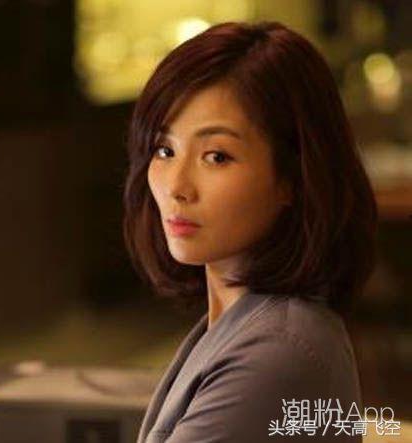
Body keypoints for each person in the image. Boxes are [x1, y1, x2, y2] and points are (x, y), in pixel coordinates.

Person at [122, 21, 377, 442]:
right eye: (165, 150)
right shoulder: (241, 323)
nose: (177, 186)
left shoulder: (277, 352)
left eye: (216, 156)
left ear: (293, 176)